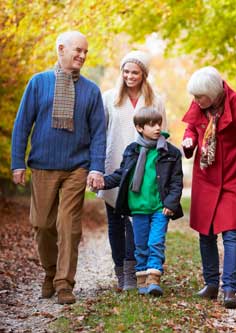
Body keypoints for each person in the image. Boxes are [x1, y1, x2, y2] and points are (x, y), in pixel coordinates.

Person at [10, 31, 106, 304]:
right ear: (61, 49)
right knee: (42, 224)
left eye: (86, 52)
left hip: (77, 166)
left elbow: (99, 133)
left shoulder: (91, 90)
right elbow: (22, 124)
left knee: (69, 225)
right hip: (42, 164)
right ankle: (50, 271)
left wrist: (96, 168)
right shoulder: (38, 83)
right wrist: (18, 162)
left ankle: (65, 283)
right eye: (78, 50)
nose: (83, 56)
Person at [182, 67, 236, 309]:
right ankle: (211, 284)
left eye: (200, 98)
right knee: (205, 233)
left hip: (234, 177)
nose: (196, 102)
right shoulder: (199, 104)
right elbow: (191, 128)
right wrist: (189, 142)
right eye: (194, 97)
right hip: (206, 176)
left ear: (215, 94)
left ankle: (229, 289)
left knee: (231, 233)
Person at [98, 50, 167, 292]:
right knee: (115, 223)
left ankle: (132, 273)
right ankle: (121, 273)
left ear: (143, 74)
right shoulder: (108, 98)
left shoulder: (155, 100)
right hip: (114, 164)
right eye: (126, 71)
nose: (129, 76)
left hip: (143, 171)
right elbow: (99, 133)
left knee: (134, 223)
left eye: (135, 72)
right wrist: (97, 169)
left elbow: (162, 137)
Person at [98, 106, 183, 297]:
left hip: (160, 208)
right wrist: (103, 182)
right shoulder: (132, 150)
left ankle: (154, 279)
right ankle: (143, 281)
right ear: (139, 127)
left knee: (156, 242)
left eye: (158, 124)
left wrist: (170, 204)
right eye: (151, 125)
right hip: (137, 208)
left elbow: (176, 182)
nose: (157, 128)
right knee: (141, 244)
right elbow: (122, 174)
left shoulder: (171, 152)